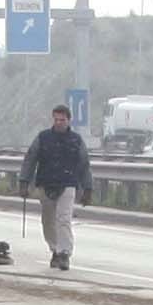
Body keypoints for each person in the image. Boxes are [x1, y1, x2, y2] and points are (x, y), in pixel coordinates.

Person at [24, 104, 92, 270]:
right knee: (48, 221)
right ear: (52, 119)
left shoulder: (76, 140)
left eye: (62, 120)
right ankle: (54, 249)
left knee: (64, 219)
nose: (59, 122)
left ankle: (64, 254)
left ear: (69, 120)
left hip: (68, 184)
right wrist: (24, 181)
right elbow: (30, 159)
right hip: (46, 184)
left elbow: (84, 164)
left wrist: (88, 188)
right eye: (56, 119)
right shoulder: (43, 137)